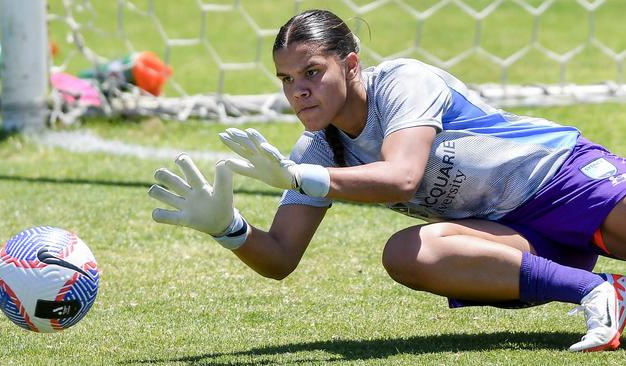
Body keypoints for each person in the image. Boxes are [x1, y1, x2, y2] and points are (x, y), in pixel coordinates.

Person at [148, 9, 626, 352]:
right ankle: (599, 290)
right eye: (286, 79)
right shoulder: (314, 150)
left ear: (351, 65)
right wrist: (227, 229)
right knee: (409, 254)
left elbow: (402, 178)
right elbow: (280, 257)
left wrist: (300, 178)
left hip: (566, 179)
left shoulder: (403, 81)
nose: (299, 91)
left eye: (312, 72)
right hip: (510, 232)